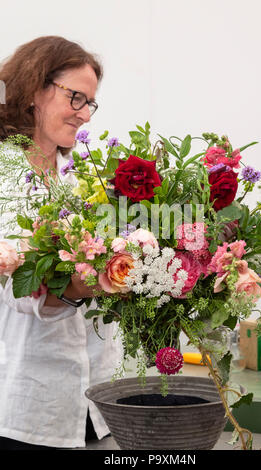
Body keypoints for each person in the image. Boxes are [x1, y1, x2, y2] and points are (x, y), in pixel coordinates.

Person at [0, 36, 123, 450]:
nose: (85, 114)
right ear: (35, 89)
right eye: (76, 98)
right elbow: (16, 290)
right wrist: (82, 285)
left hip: (96, 404)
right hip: (31, 410)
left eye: (90, 103)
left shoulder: (78, 180)